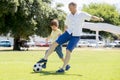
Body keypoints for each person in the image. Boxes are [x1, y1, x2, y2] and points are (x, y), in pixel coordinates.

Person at [37, 2, 104, 73]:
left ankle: (63, 68)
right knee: (55, 43)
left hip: (76, 36)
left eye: (71, 8)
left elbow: (91, 17)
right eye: (69, 8)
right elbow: (66, 25)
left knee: (68, 51)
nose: (69, 9)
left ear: (75, 7)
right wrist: (65, 31)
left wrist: (99, 19)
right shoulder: (69, 15)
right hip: (68, 33)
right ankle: (45, 58)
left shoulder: (82, 14)